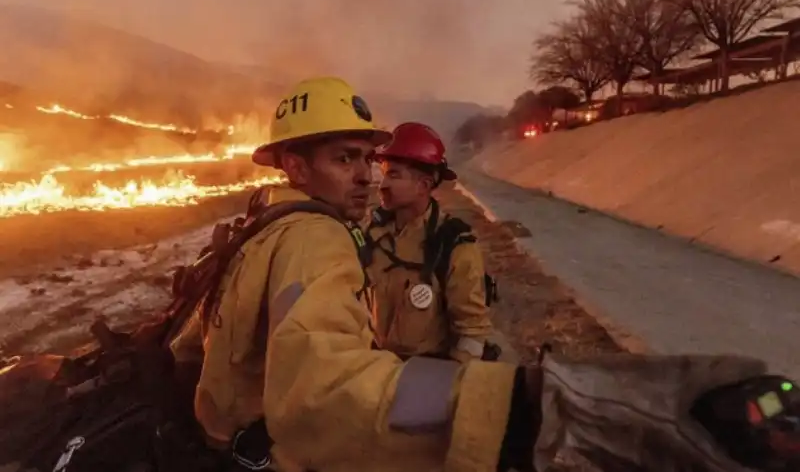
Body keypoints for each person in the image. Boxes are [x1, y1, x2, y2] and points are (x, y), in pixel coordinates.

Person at [184, 75, 771, 472]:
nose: (370, 177)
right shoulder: (317, 239)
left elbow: (205, 350)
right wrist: (520, 408)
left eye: (371, 159)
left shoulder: (264, 228)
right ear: (295, 164)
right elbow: (323, 390)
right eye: (345, 159)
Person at [365, 122, 495, 362]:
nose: (382, 185)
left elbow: (471, 333)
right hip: (375, 369)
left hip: (425, 374)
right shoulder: (373, 232)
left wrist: (446, 384)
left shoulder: (454, 245)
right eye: (384, 175)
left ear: (423, 185)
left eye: (394, 175)